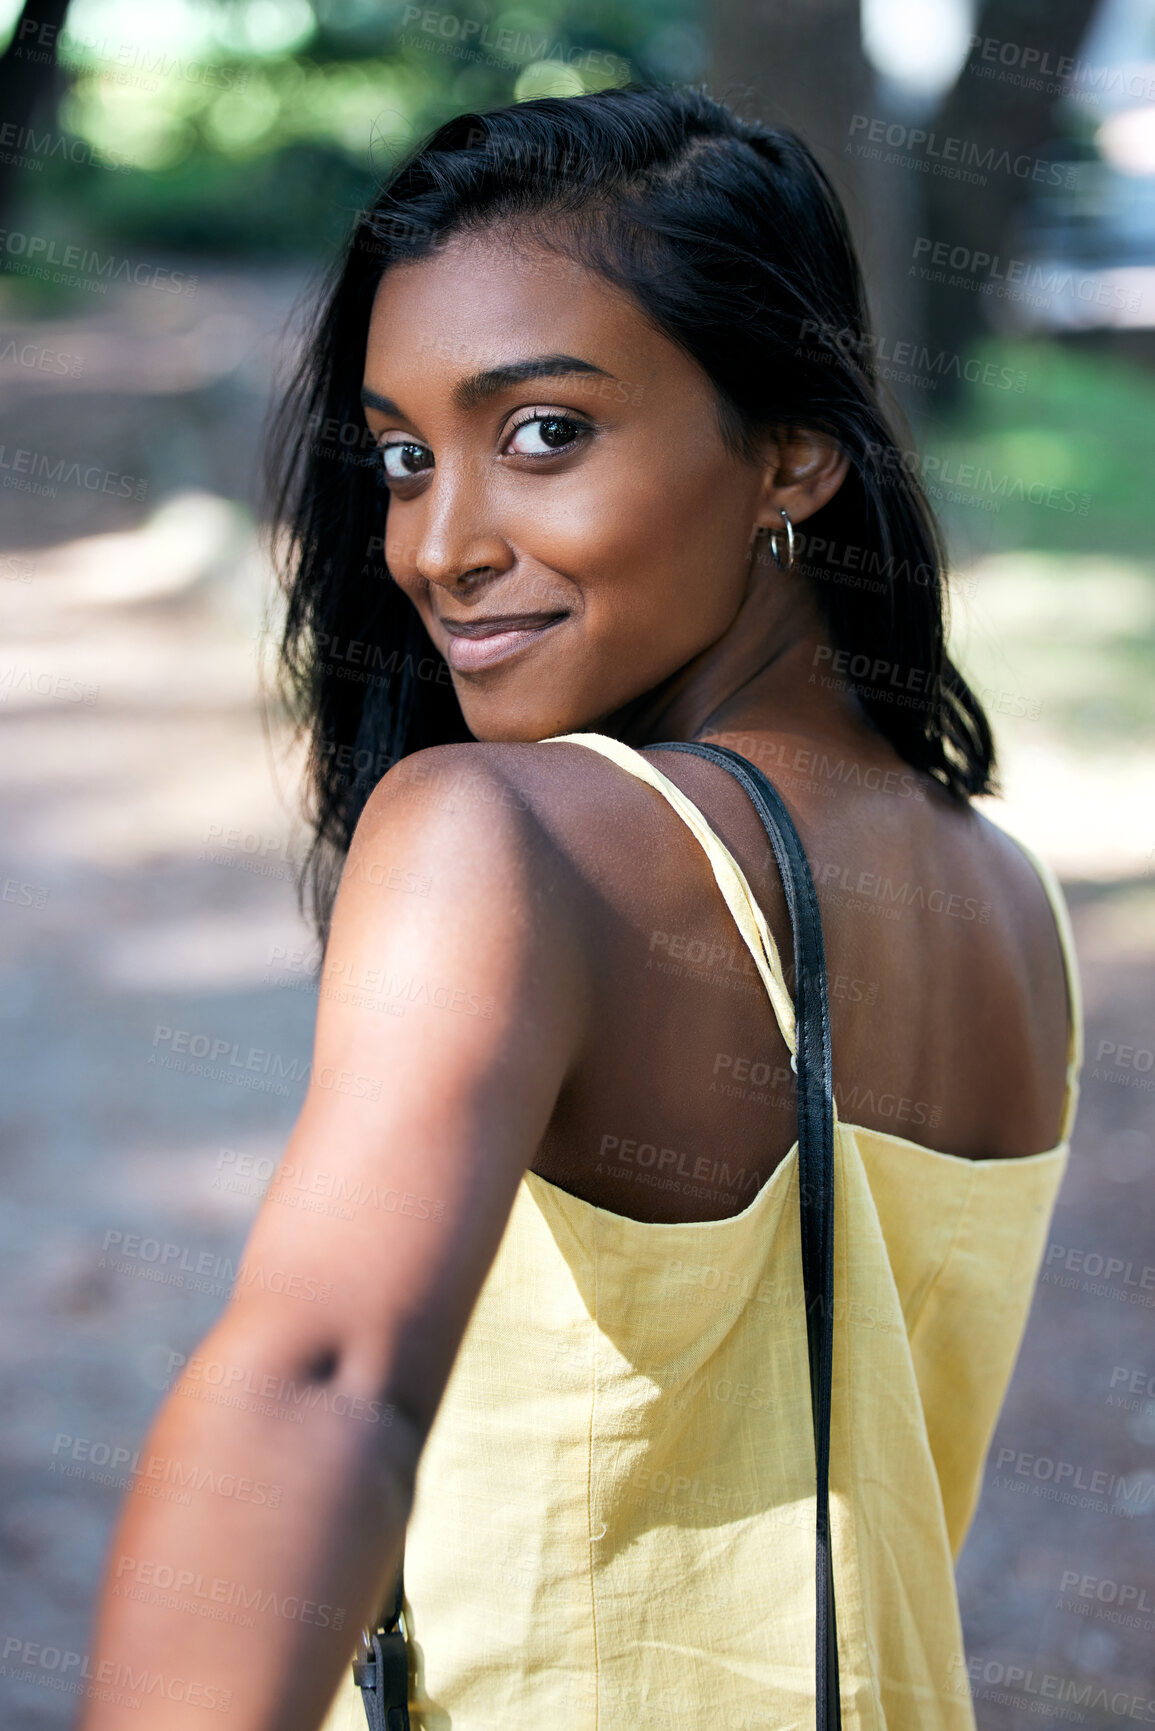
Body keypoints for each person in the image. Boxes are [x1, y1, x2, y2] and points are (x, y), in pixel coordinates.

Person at [80, 84, 1080, 1731]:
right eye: (405, 456)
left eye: (543, 431)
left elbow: (321, 1385)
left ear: (792, 450)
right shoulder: (1011, 900)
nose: (438, 544)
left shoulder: (508, 840)